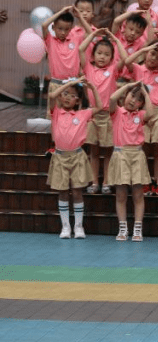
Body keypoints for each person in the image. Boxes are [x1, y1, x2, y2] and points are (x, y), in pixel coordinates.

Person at [47, 79, 99, 239]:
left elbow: (99, 106)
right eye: (65, 95)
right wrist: (72, 82)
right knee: (62, 191)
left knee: (77, 191)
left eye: (73, 95)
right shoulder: (56, 112)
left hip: (77, 156)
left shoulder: (82, 114)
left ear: (78, 100)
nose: (68, 97)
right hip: (60, 157)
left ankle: (78, 226)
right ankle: (65, 227)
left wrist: (92, 88)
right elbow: (51, 95)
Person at [79, 28, 127, 195]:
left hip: (108, 116)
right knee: (93, 151)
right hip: (92, 115)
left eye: (107, 54)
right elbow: (80, 49)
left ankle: (106, 182)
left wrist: (115, 39)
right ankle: (94, 182)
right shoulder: (89, 68)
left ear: (111, 57)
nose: (102, 57)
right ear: (93, 55)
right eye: (99, 53)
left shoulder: (113, 69)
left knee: (108, 151)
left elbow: (125, 58)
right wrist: (92, 35)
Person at [125, 42, 158, 196]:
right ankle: (144, 182)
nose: (154, 58)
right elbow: (127, 62)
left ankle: (157, 183)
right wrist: (145, 49)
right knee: (143, 150)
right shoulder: (139, 70)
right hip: (142, 114)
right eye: (152, 54)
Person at [107, 82, 151, 242]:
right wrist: (127, 87)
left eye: (139, 99)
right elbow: (112, 98)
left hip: (137, 155)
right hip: (120, 155)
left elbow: (151, 113)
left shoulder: (141, 115)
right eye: (132, 96)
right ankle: (123, 228)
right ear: (125, 95)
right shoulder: (117, 112)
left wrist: (146, 94)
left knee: (138, 194)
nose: (133, 101)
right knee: (120, 194)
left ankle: (138, 228)